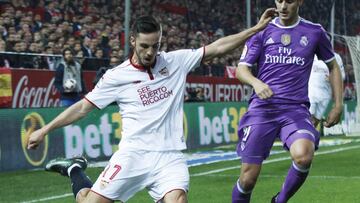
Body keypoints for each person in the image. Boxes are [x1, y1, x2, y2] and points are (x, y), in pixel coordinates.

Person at [27, 11, 277, 203]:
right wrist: (44, 130)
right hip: (133, 155)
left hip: (170, 157)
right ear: (133, 41)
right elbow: (82, 108)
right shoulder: (116, 76)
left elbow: (217, 47)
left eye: (155, 45)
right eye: (144, 46)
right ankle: (74, 169)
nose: (150, 52)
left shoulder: (175, 61)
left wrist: (255, 29)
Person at [232, 0, 343, 203]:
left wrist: (338, 104)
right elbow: (241, 69)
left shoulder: (314, 32)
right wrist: (256, 83)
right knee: (248, 179)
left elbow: (333, 66)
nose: (283, 6)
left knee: (304, 155)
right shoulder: (263, 30)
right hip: (262, 110)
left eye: (289, 1)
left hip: (295, 110)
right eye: (279, 0)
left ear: (300, 1)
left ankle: (279, 201)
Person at [308, 53, 345, 127]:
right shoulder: (310, 53)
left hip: (325, 96)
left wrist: (331, 78)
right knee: (308, 118)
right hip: (310, 93)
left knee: (315, 122)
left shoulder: (336, 57)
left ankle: (308, 136)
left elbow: (342, 76)